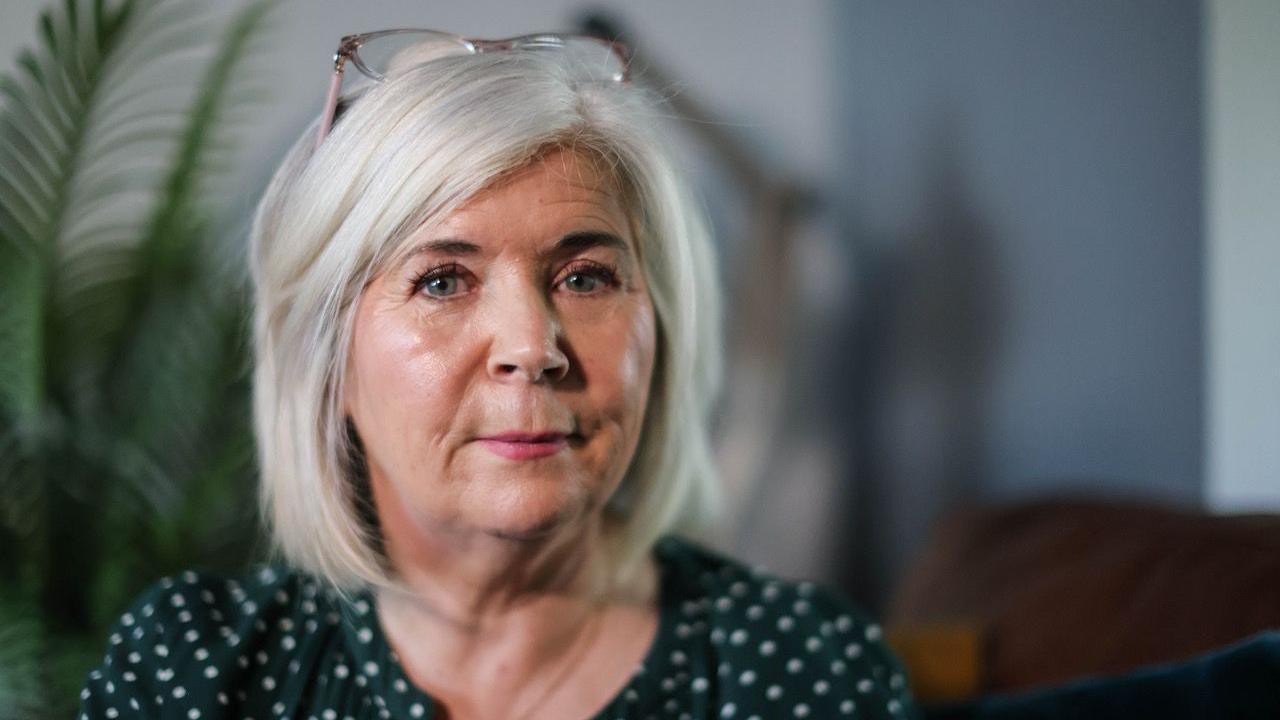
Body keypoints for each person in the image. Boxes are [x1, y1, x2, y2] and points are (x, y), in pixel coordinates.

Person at [77, 29, 915, 720]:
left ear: (660, 329)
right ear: (327, 358)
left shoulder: (806, 672)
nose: (532, 345)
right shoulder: (195, 668)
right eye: (442, 280)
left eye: (585, 277)